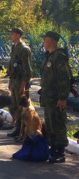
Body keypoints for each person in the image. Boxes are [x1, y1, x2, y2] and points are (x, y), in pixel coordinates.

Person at [40, 31, 70, 163]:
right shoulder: (49, 56)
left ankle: (60, 152)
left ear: (51, 41)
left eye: (45, 39)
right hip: (48, 98)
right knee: (50, 124)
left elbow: (64, 79)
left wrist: (63, 97)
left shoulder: (59, 57)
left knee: (58, 123)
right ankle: (53, 149)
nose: (43, 42)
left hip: (57, 98)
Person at [7, 28, 32, 138]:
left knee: (21, 106)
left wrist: (23, 85)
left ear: (18, 35)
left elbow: (27, 70)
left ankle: (21, 129)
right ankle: (18, 128)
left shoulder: (24, 49)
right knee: (15, 105)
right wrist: (10, 82)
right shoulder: (14, 47)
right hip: (14, 80)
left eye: (12, 34)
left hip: (20, 82)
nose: (10, 35)